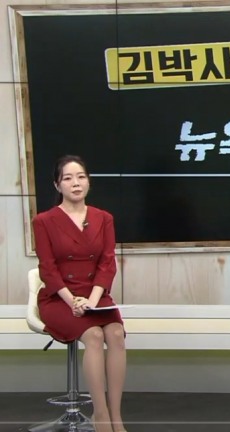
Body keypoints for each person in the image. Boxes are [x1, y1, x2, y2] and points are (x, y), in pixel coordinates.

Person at [33, 155, 127, 432]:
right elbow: (47, 268)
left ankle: (116, 416)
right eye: (68, 178)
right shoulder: (44, 221)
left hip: (95, 295)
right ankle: (100, 416)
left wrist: (92, 302)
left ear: (88, 182)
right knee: (94, 335)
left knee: (116, 333)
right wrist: (73, 301)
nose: (76, 183)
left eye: (81, 177)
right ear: (57, 185)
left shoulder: (104, 218)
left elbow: (107, 263)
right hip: (59, 297)